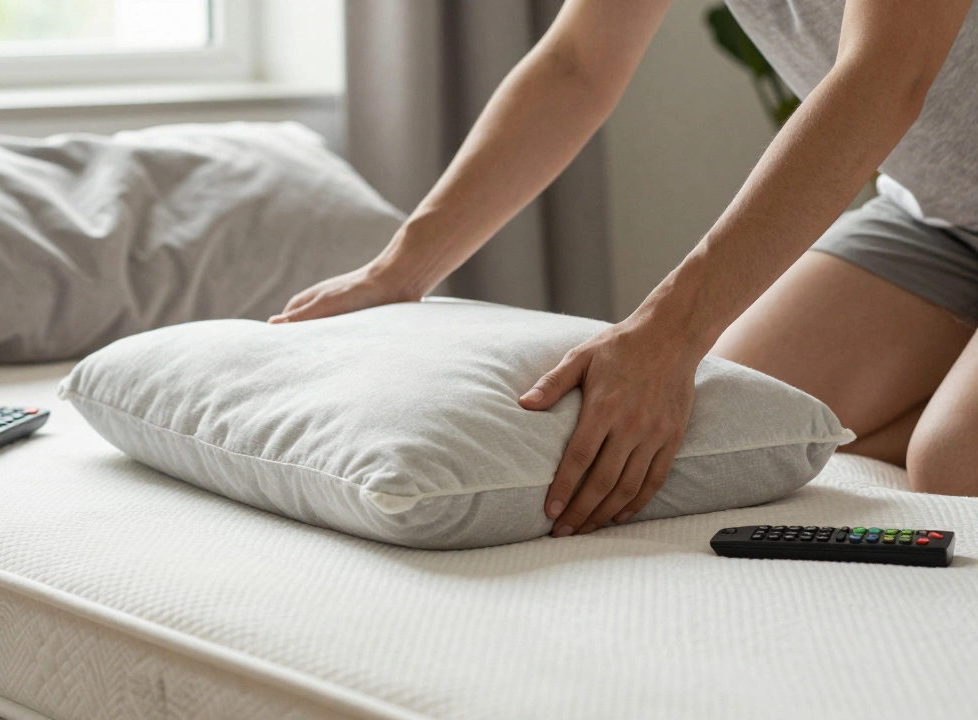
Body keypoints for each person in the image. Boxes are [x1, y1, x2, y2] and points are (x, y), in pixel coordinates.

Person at [268, 0, 978, 537]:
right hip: (940, 216)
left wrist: (669, 330)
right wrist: (400, 268)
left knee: (949, 465)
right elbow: (577, 64)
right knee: (736, 427)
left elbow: (886, 74)